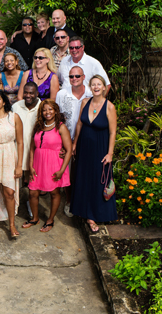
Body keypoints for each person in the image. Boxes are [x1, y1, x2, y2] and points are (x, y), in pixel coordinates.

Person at [71, 75, 118, 232]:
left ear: (104, 87)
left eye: (99, 84)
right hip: (84, 147)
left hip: (100, 148)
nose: (96, 87)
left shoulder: (110, 107)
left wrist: (110, 153)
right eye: (93, 84)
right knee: (83, 178)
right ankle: (83, 212)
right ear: (90, 87)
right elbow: (79, 123)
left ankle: (94, 216)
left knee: (98, 180)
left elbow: (112, 133)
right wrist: (75, 143)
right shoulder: (85, 102)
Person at [23, 99, 72, 233]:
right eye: (44, 110)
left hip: (54, 165)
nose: (47, 112)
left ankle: (50, 220)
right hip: (38, 165)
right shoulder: (38, 126)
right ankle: (35, 218)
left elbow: (68, 150)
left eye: (50, 109)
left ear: (56, 111)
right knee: (33, 192)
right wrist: (31, 165)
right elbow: (32, 148)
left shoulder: (61, 127)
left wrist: (62, 170)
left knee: (54, 193)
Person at [0, 90, 23, 238]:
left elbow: (20, 142)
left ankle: (11, 224)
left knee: (9, 191)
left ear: (4, 101)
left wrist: (19, 165)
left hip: (9, 153)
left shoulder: (14, 117)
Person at [56, 66, 92, 217]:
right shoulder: (62, 94)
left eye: (77, 76)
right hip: (67, 138)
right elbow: (57, 117)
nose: (74, 79)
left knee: (83, 172)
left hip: (87, 139)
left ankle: (84, 202)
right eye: (71, 77)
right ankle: (69, 201)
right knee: (68, 173)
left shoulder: (92, 93)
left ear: (84, 77)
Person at [11, 82, 41, 217]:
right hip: (17, 148)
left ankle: (31, 204)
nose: (28, 96)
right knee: (14, 178)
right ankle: (13, 205)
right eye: (26, 92)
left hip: (35, 150)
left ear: (37, 94)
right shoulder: (16, 106)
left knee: (32, 180)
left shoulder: (42, 107)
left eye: (31, 93)